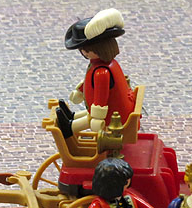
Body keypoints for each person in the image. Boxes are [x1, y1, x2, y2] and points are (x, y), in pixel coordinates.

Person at [57, 8, 137, 139]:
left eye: (85, 50)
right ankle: (72, 116)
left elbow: (101, 98)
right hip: (117, 111)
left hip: (115, 117)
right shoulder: (104, 65)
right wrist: (81, 90)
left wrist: (97, 117)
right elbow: (90, 83)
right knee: (90, 114)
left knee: (91, 117)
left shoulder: (102, 72)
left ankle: (69, 127)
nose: (83, 52)